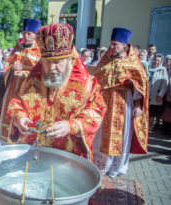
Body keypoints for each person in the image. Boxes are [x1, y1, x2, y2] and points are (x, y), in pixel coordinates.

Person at [8, 23, 106, 159]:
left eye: (57, 62)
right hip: (32, 151)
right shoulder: (33, 79)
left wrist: (71, 126)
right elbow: (16, 101)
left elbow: (97, 111)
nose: (52, 68)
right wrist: (20, 116)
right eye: (47, 62)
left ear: (69, 59)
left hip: (68, 156)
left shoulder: (88, 84)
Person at [92, 27, 149, 178]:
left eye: (115, 44)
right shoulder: (105, 61)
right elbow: (96, 78)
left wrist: (137, 106)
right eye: (111, 44)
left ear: (124, 45)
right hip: (105, 102)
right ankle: (101, 164)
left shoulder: (133, 64)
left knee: (122, 135)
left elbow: (140, 85)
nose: (112, 47)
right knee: (101, 133)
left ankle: (116, 167)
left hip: (125, 103)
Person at [0, 18, 41, 146]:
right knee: (8, 113)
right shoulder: (17, 49)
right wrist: (11, 69)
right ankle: (5, 142)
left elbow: (40, 74)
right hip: (12, 89)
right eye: (24, 33)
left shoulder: (39, 52)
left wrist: (24, 73)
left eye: (29, 33)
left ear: (35, 35)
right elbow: (7, 65)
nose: (26, 36)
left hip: (28, 93)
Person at [148, 54, 169, 131]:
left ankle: (149, 127)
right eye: (155, 60)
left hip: (155, 94)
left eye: (158, 61)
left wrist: (160, 95)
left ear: (161, 62)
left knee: (152, 113)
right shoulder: (148, 68)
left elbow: (164, 84)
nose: (156, 62)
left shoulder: (162, 70)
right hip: (147, 93)